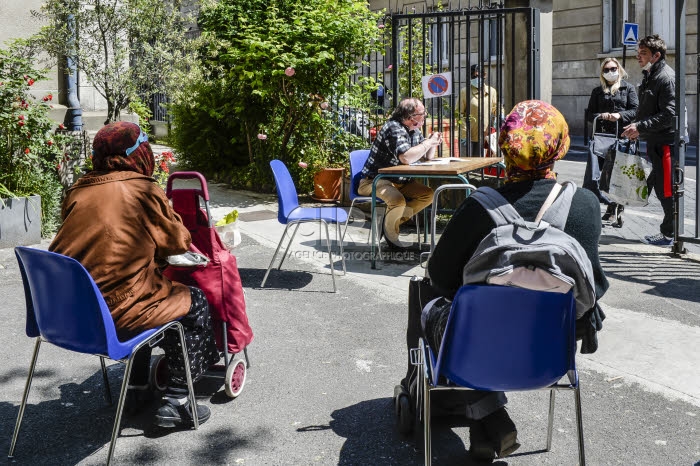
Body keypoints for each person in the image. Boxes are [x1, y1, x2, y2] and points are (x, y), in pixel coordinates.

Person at [423, 100, 609, 461]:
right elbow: (595, 286)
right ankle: (485, 420)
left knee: (431, 304)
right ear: (560, 145)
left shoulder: (480, 205)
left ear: (505, 147)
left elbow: (441, 278)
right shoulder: (583, 204)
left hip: (473, 353)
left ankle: (487, 412)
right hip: (551, 354)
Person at [49, 121, 220, 428]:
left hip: (70, 316)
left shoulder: (77, 190)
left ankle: (136, 388)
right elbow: (178, 242)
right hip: (117, 315)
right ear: (139, 153)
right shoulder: (143, 189)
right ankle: (178, 400)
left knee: (145, 294)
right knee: (192, 302)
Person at [357, 97, 442, 248]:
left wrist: (432, 142)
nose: (425, 116)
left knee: (428, 194)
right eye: (423, 113)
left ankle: (389, 223)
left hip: (401, 181)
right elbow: (406, 157)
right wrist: (427, 143)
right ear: (411, 117)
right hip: (375, 181)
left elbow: (427, 156)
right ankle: (392, 238)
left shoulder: (414, 130)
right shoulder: (393, 127)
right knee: (397, 201)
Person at [621, 34, 676, 246]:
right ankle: (670, 233)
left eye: (643, 53)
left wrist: (640, 127)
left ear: (656, 55)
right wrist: (636, 127)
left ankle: (669, 235)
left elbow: (669, 114)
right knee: (659, 187)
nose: (638, 56)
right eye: (638, 52)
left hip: (666, 143)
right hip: (655, 141)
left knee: (666, 190)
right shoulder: (652, 74)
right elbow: (647, 109)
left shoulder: (665, 77)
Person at [585, 57, 639, 223]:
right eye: (606, 70)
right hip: (601, 137)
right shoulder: (597, 91)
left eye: (613, 68)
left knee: (619, 175)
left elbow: (636, 110)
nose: (610, 72)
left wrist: (619, 115)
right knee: (600, 175)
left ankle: (617, 207)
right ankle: (608, 205)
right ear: (602, 73)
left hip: (622, 137)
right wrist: (601, 116)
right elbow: (589, 114)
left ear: (619, 70)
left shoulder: (628, 88)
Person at [460, 64, 500, 157]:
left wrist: (500, 115)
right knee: (467, 164)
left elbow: (495, 108)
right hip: (468, 136)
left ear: (484, 75)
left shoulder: (492, 91)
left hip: (485, 135)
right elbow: (459, 113)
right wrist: (464, 133)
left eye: (478, 76)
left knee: (482, 164)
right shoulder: (465, 92)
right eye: (474, 76)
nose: (476, 78)